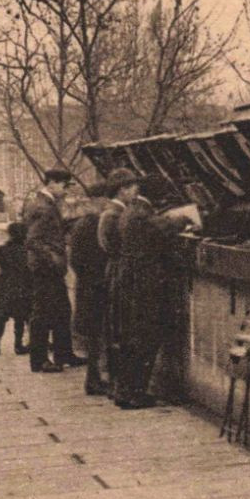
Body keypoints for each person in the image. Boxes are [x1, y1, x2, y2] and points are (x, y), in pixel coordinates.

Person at [111, 185, 193, 409]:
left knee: (132, 339)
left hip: (132, 282)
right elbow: (160, 227)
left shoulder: (131, 210)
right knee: (145, 338)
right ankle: (134, 394)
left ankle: (125, 391)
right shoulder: (141, 215)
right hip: (145, 285)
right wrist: (185, 216)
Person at [23, 168, 82, 373]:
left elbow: (50, 230)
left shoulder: (43, 204)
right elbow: (33, 240)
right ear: (52, 183)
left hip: (47, 268)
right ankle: (39, 360)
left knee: (62, 311)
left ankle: (63, 353)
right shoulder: (44, 207)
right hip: (46, 269)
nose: (66, 191)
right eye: (65, 186)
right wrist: (54, 258)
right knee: (42, 314)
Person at [68, 182, 113, 396]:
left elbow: (75, 260)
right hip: (95, 287)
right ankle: (95, 380)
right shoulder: (93, 224)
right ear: (99, 201)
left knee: (95, 337)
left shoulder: (82, 223)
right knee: (98, 336)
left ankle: (94, 379)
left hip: (87, 287)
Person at [96, 168, 137, 394]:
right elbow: (117, 245)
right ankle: (119, 383)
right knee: (121, 327)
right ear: (122, 191)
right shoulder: (115, 215)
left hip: (114, 270)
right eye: (132, 188)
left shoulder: (110, 212)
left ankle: (115, 381)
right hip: (120, 271)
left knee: (116, 326)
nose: (135, 192)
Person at [0, 221, 33, 356]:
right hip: (22, 289)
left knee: (1, 319)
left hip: (5, 289)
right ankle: (18, 345)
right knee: (20, 319)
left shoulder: (0, 250)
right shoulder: (27, 251)